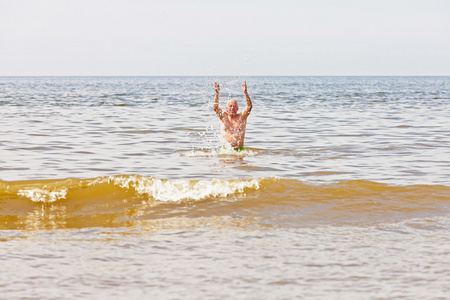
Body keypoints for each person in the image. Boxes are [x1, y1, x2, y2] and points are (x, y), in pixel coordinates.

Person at [213, 81, 253, 151]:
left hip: (239, 150)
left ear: (237, 108)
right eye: (230, 106)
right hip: (225, 150)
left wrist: (245, 93)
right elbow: (215, 108)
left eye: (234, 106)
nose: (232, 108)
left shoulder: (242, 117)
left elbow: (249, 107)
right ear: (226, 108)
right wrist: (217, 93)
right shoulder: (223, 117)